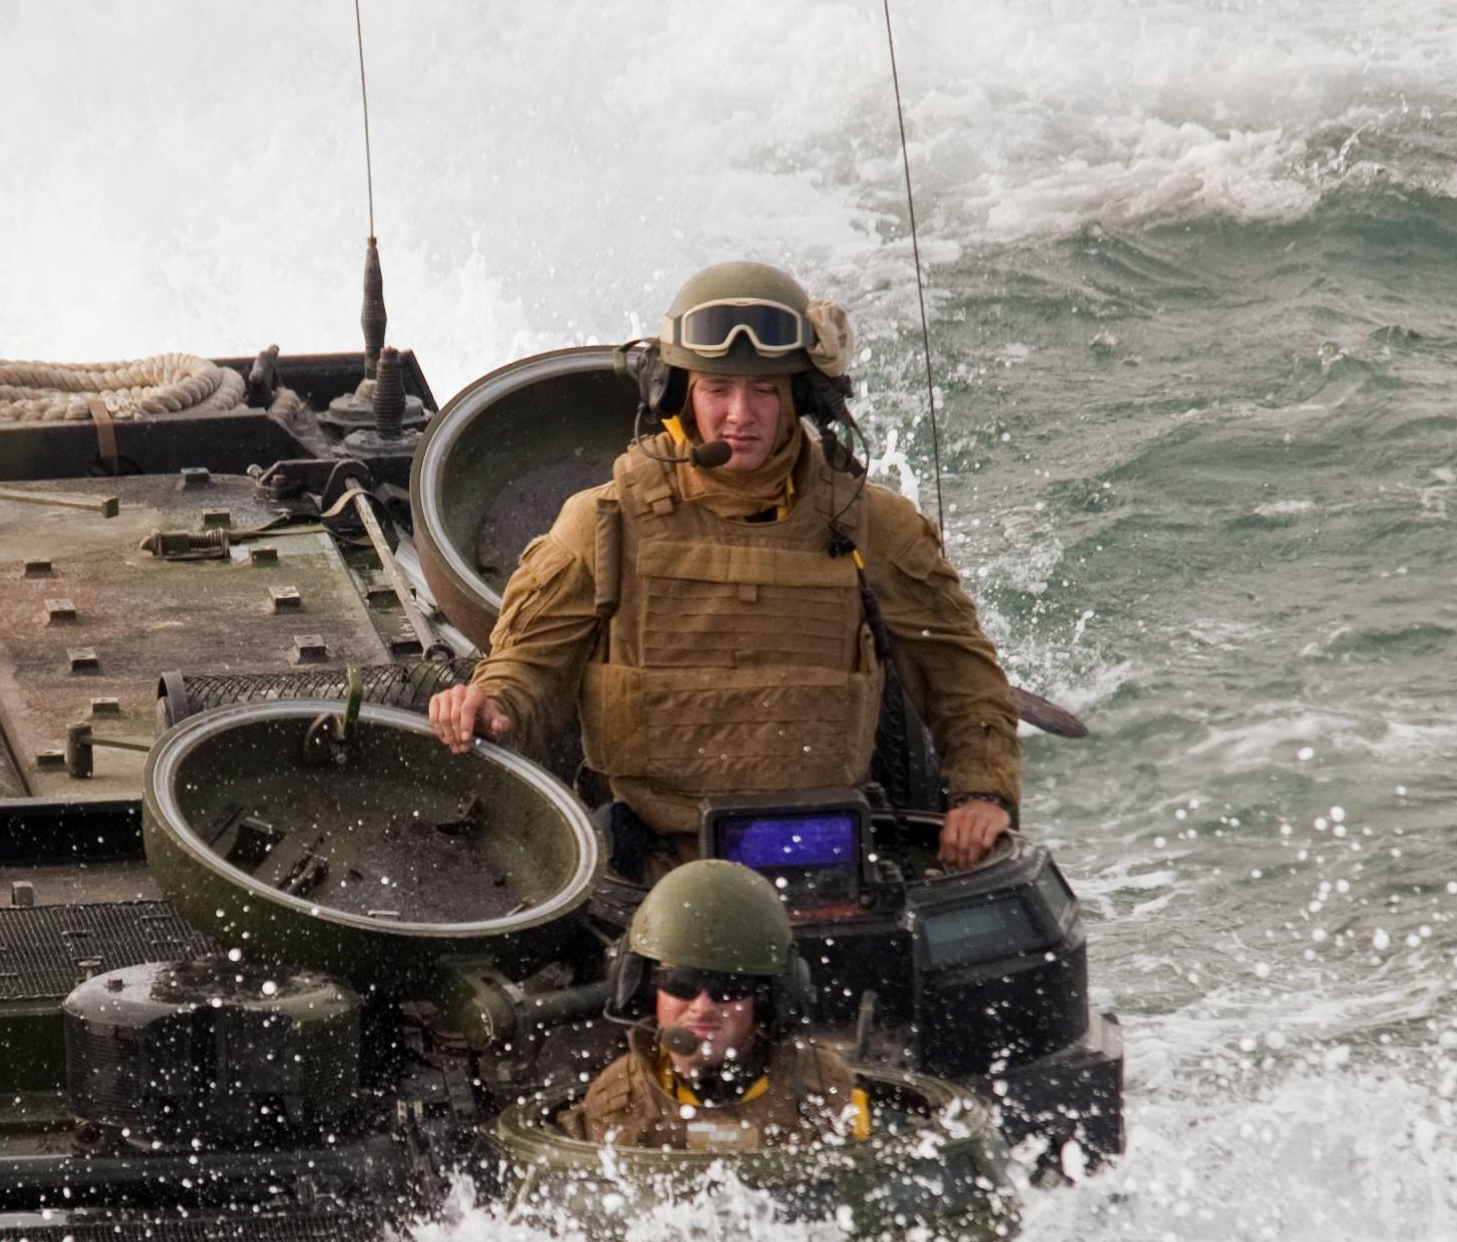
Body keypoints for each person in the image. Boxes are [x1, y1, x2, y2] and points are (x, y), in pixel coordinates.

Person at [428, 260, 1021, 870]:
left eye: (765, 389)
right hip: (658, 862)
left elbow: (960, 671)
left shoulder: (872, 524)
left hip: (822, 854)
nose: (741, 414)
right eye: (718, 389)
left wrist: (982, 793)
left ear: (802, 395)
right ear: (678, 392)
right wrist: (492, 705)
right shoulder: (605, 521)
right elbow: (528, 670)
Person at [563, 859, 873, 1151]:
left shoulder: (823, 1090)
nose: (702, 1006)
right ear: (646, 989)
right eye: (680, 983)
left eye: (727, 987)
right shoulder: (615, 1099)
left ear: (765, 998)